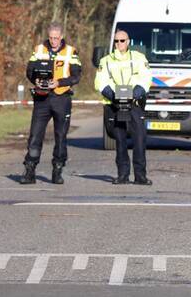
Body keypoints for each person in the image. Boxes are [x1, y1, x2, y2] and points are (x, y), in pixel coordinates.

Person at [19, 23, 82, 185]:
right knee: (35, 135)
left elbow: (76, 76)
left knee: (60, 136)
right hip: (42, 98)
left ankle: (57, 170)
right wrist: (35, 80)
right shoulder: (39, 49)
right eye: (51, 38)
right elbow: (29, 71)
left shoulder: (71, 52)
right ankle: (30, 171)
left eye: (56, 38)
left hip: (61, 98)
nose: (53, 41)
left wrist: (59, 82)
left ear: (61, 37)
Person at [94, 29, 152, 185]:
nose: (119, 43)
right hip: (114, 104)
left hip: (134, 104)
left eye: (122, 40)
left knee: (139, 140)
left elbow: (146, 79)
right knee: (120, 141)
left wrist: (134, 94)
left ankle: (140, 176)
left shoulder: (139, 58)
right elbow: (100, 82)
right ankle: (122, 175)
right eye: (116, 41)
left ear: (128, 42)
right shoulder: (105, 61)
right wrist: (115, 96)